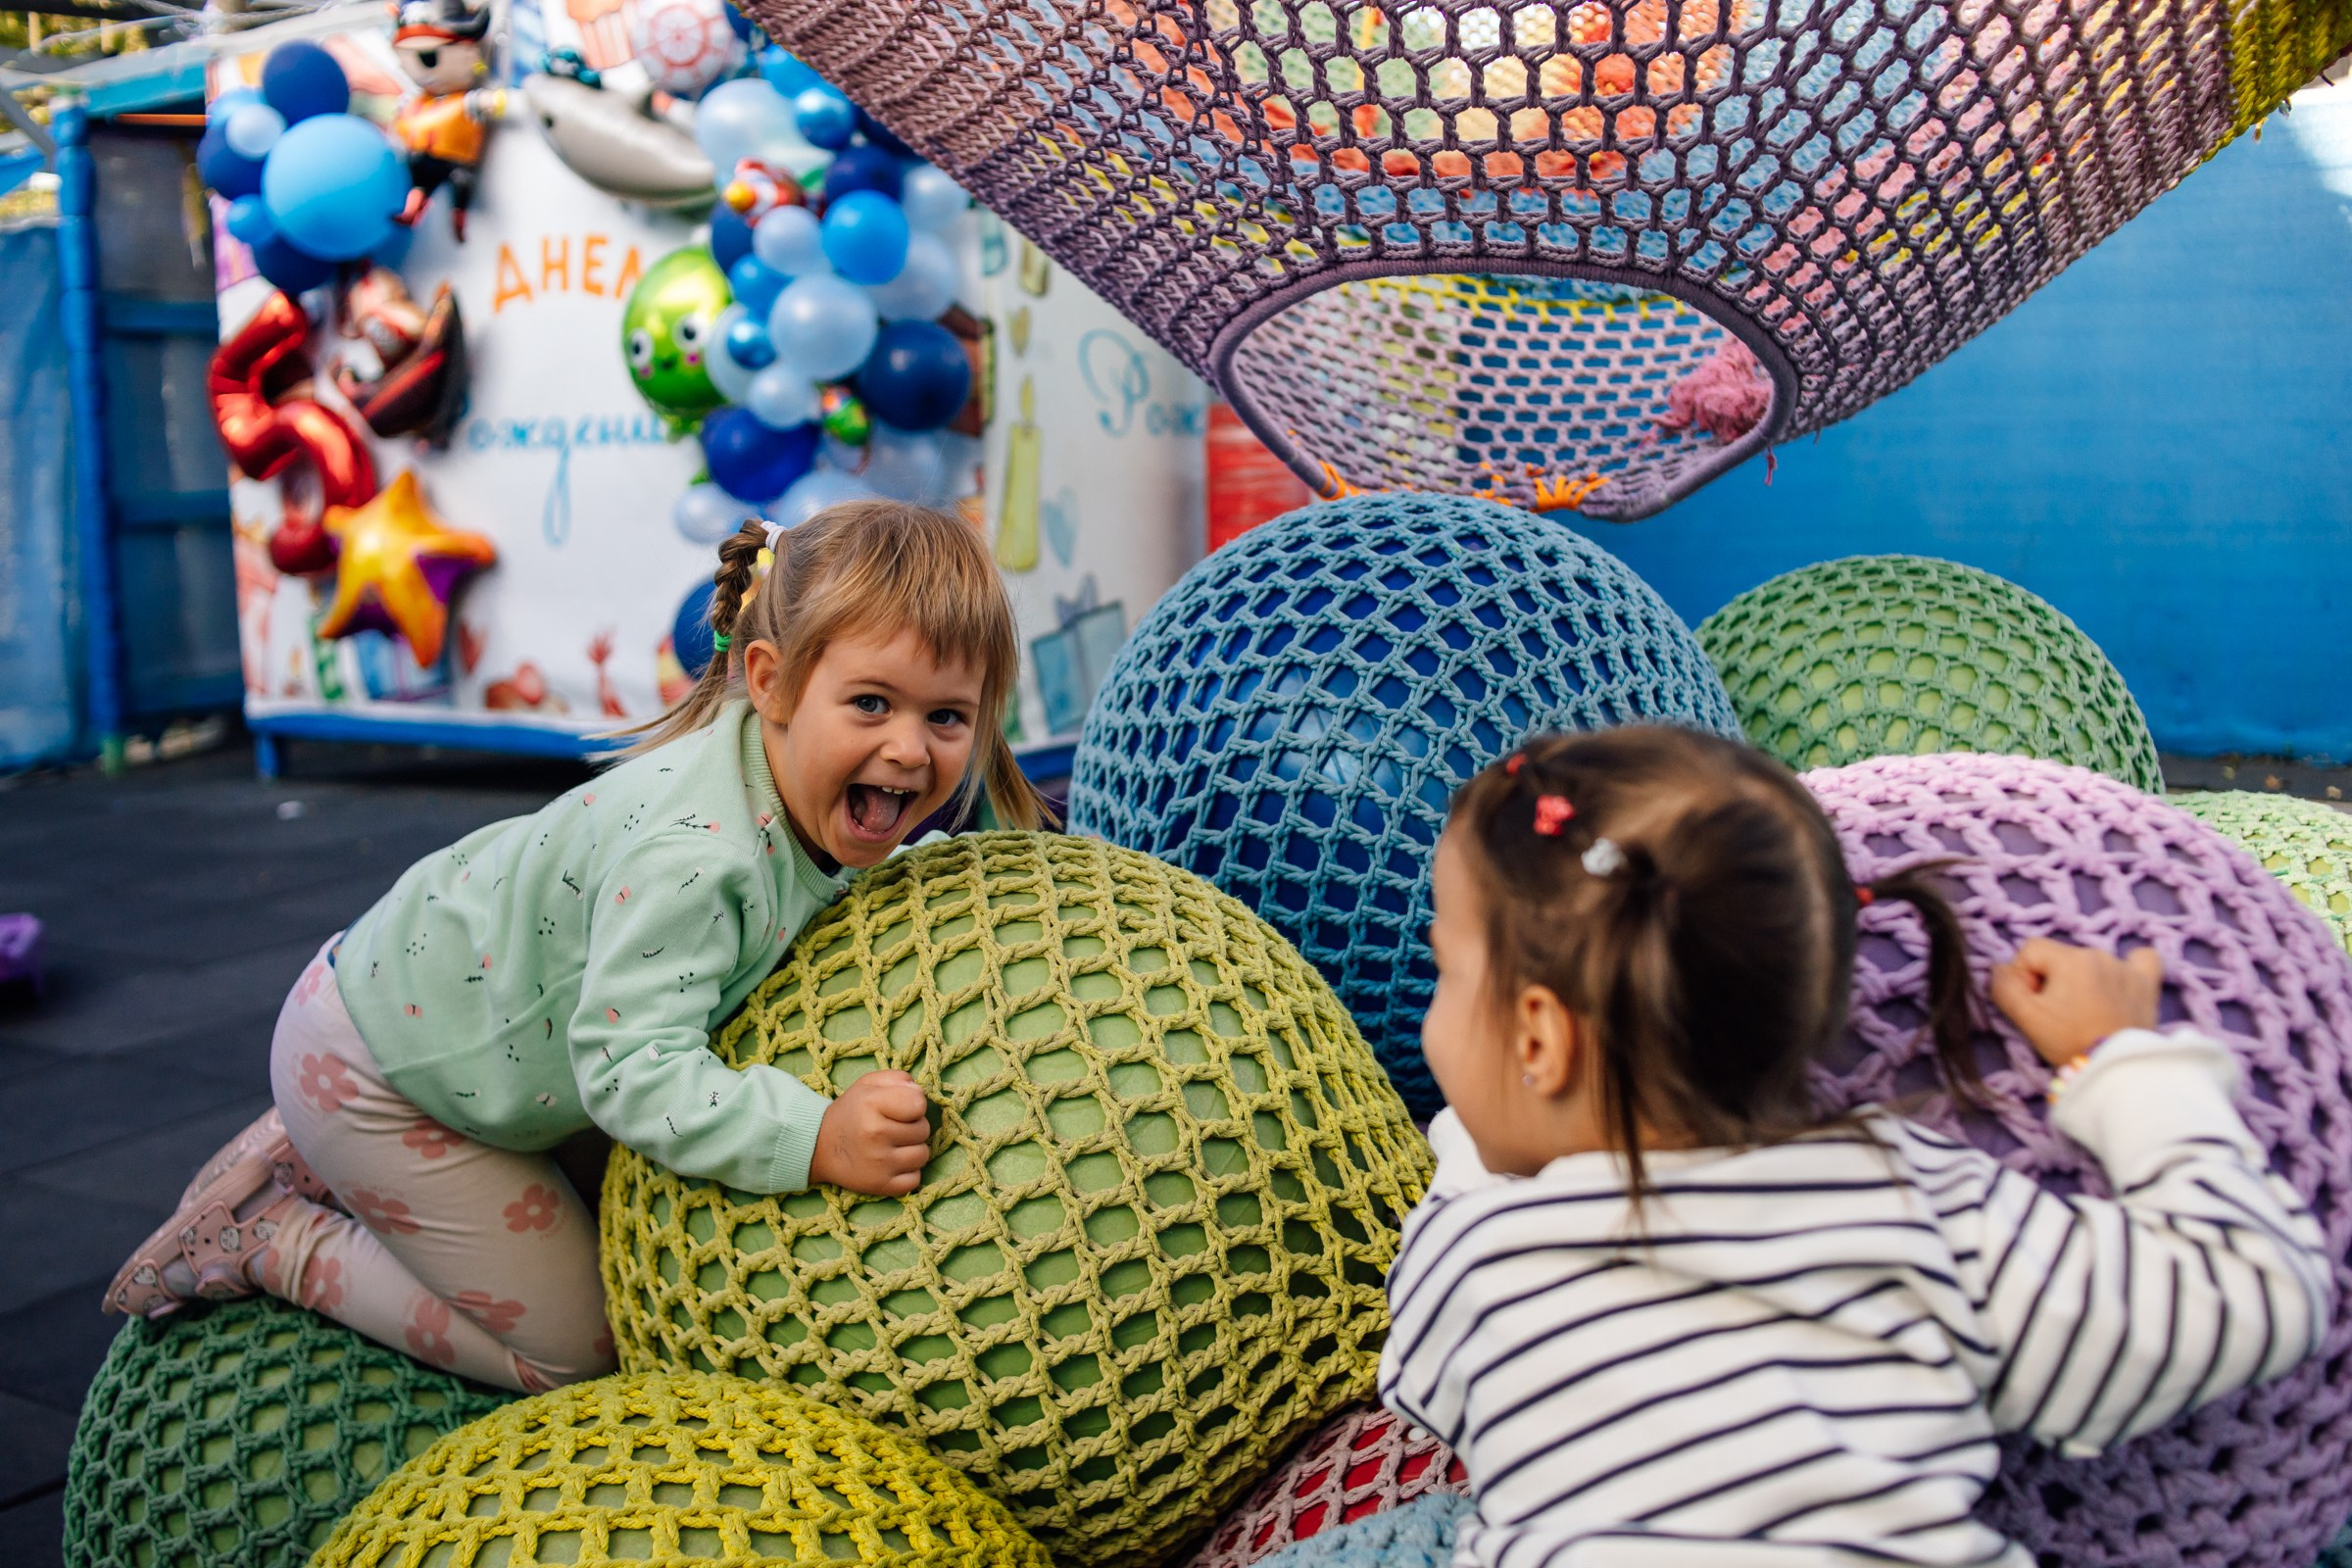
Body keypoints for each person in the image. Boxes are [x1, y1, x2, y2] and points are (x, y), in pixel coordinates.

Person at [106, 501, 1048, 1393]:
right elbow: (632, 1072)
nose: (911, 752)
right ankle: (271, 1237)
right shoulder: (699, 859)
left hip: (443, 1005)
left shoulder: (799, 780)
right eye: (873, 704)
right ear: (771, 683)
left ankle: (311, 1147)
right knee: (579, 1349)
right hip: (385, 1077)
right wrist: (816, 1137)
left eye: (947, 718)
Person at [1384, 725, 2332, 1567]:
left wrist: (1476, 1143)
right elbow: (2245, 1292)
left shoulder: (1470, 1260)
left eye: (1445, 968)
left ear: (1541, 1039)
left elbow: (1421, 1389)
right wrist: (2119, 1059)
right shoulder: (1913, 1204)